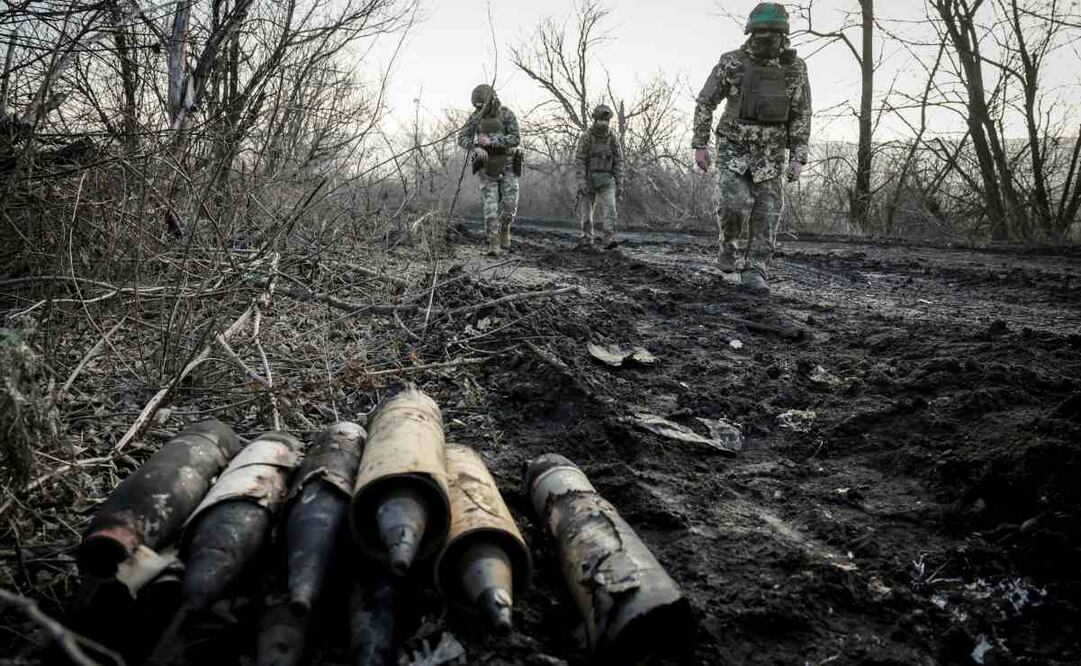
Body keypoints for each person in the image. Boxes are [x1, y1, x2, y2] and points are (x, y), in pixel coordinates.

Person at [692, 2, 812, 292]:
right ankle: (728, 246)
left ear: (783, 35)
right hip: (733, 147)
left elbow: (801, 113)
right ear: (750, 32)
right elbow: (706, 101)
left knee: (767, 214)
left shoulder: (795, 69)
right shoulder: (731, 62)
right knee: (732, 205)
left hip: (771, 153)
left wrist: (798, 157)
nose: (764, 39)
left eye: (771, 33)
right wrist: (700, 144)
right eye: (759, 33)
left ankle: (756, 269)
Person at [457, 84, 522, 254]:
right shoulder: (475, 118)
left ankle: (505, 228)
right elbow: (462, 137)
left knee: (509, 205)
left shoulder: (506, 114)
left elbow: (515, 138)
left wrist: (492, 141)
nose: (480, 110)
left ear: (491, 101)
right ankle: (493, 241)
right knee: (490, 206)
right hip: (486, 166)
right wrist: (475, 147)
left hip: (508, 164)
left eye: (482, 106)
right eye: (477, 107)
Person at [574, 104, 623, 249]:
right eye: (601, 120)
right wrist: (581, 181)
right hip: (589, 179)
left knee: (611, 210)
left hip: (607, 179)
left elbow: (618, 161)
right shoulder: (586, 137)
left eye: (606, 121)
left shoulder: (612, 138)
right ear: (595, 120)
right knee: (587, 212)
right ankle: (586, 238)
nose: (603, 123)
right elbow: (580, 160)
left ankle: (608, 239)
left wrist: (619, 182)